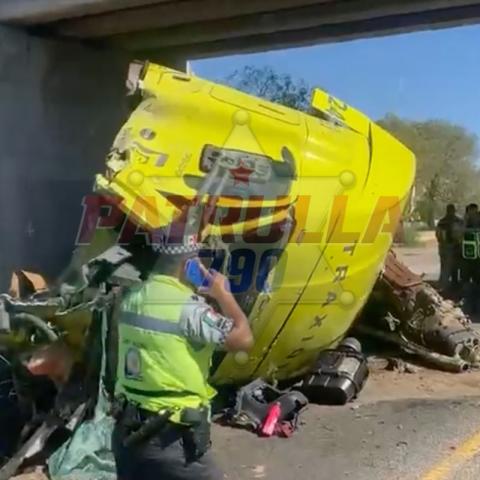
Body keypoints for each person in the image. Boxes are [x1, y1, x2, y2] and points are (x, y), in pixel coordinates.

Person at [111, 231, 254, 480]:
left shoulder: (132, 298)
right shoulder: (188, 309)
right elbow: (244, 339)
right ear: (189, 265)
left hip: (128, 433)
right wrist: (223, 294)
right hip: (172, 437)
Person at [435, 204, 463, 291]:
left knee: (451, 267)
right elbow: (439, 235)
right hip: (449, 247)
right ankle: (448, 287)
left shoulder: (443, 221)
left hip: (450, 247)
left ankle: (448, 286)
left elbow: (438, 235)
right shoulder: (457, 221)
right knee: (449, 268)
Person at [461, 203, 480, 313]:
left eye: (475, 213)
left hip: (478, 259)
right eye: (471, 213)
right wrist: (465, 221)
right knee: (467, 282)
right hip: (467, 258)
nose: (474, 215)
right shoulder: (465, 223)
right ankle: (468, 306)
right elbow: (460, 233)